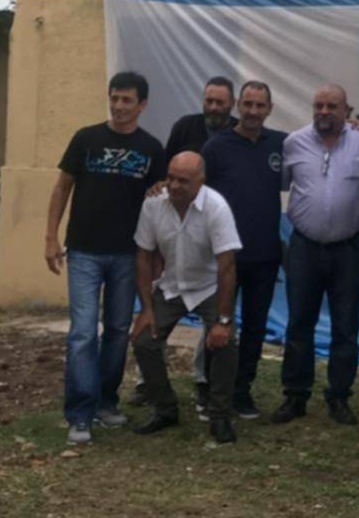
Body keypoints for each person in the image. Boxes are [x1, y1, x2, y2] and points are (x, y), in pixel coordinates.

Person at [44, 71, 165, 445]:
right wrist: (51, 236)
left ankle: (105, 402)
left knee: (116, 331)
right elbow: (63, 186)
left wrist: (157, 253)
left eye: (127, 100)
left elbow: (158, 201)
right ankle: (79, 414)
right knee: (82, 333)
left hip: (128, 255)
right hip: (83, 251)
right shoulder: (86, 139)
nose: (119, 106)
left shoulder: (152, 149)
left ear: (142, 105)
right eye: (114, 98)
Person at [272, 84, 359, 426]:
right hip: (304, 246)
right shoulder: (293, 143)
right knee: (299, 323)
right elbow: (287, 184)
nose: (323, 111)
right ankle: (295, 395)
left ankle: (339, 397)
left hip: (349, 248)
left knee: (346, 326)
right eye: (318, 105)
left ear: (346, 111)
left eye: (331, 106)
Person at [129, 152, 241, 444]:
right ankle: (164, 409)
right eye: (171, 177)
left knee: (225, 342)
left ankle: (219, 415)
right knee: (144, 341)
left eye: (184, 181)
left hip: (208, 287)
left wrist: (223, 320)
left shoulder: (216, 207)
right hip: (171, 287)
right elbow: (143, 256)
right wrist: (145, 309)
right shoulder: (153, 204)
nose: (175, 186)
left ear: (200, 182)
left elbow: (227, 265)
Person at [202, 80, 286, 420]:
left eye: (259, 106)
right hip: (225, 259)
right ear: (238, 105)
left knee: (255, 327)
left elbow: (321, 142)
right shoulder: (216, 147)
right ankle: (212, 393)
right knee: (219, 327)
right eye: (247, 105)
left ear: (269, 109)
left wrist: (353, 127)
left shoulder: (281, 144)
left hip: (265, 256)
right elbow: (198, 197)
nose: (253, 112)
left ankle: (242, 392)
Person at [163, 76, 236, 160]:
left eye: (219, 102)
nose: (213, 107)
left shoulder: (240, 132)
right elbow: (166, 164)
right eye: (209, 101)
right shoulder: (184, 127)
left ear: (232, 103)